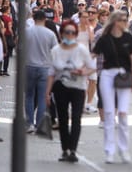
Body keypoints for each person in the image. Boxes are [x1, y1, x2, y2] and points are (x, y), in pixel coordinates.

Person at [46, 20, 96, 162]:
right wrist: (47, 93)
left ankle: (73, 150)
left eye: (73, 32)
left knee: (76, 119)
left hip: (78, 87)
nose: (70, 35)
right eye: (67, 32)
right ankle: (65, 149)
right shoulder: (55, 50)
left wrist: (83, 71)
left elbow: (92, 66)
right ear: (61, 34)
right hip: (60, 87)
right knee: (62, 119)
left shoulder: (81, 49)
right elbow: (51, 73)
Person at [92, 10, 132, 164]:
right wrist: (83, 67)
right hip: (107, 75)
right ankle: (109, 150)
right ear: (114, 21)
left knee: (123, 113)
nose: (125, 22)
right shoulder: (104, 38)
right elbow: (94, 55)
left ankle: (124, 149)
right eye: (122, 19)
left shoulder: (128, 38)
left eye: (126, 19)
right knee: (110, 113)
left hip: (124, 76)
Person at [25, 10, 58, 133]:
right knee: (43, 97)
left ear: (33, 19)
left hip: (29, 66)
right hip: (45, 67)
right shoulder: (50, 34)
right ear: (45, 19)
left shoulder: (27, 32)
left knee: (29, 96)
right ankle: (39, 124)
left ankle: (29, 123)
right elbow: (55, 52)